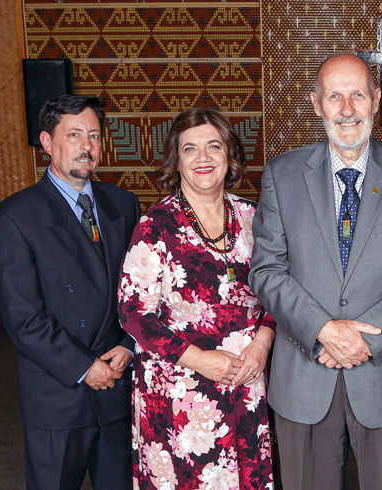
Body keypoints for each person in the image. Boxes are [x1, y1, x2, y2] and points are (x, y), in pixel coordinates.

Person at [249, 52, 382, 490]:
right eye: (334, 96)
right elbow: (266, 270)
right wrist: (323, 329)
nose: (346, 110)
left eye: (357, 95)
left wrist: (358, 338)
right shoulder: (281, 175)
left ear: (376, 100)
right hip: (305, 377)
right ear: (316, 102)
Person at [117, 107, 276, 489]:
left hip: (246, 379)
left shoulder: (257, 218)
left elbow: (279, 296)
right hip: (180, 390)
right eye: (190, 149)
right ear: (177, 160)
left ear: (229, 155)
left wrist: (261, 348)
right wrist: (201, 361)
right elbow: (133, 314)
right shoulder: (155, 227)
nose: (203, 158)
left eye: (213, 146)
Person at [0, 94, 140, 490]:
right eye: (74, 134)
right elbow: (23, 318)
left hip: (117, 383)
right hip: (58, 395)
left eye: (93, 136)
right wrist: (84, 367)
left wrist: (129, 344)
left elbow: (143, 292)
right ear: (47, 143)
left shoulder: (124, 204)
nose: (86, 146)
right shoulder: (16, 216)